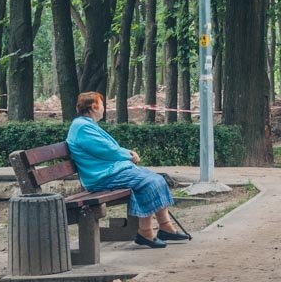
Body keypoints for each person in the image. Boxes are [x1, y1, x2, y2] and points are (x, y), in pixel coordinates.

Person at [67, 92, 190, 249]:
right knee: (148, 182)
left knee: (157, 179)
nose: (104, 108)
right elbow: (106, 150)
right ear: (94, 107)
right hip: (101, 177)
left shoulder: (85, 125)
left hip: (109, 172)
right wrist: (128, 155)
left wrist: (126, 154)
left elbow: (107, 149)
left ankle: (165, 227)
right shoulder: (82, 127)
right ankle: (145, 232)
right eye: (102, 105)